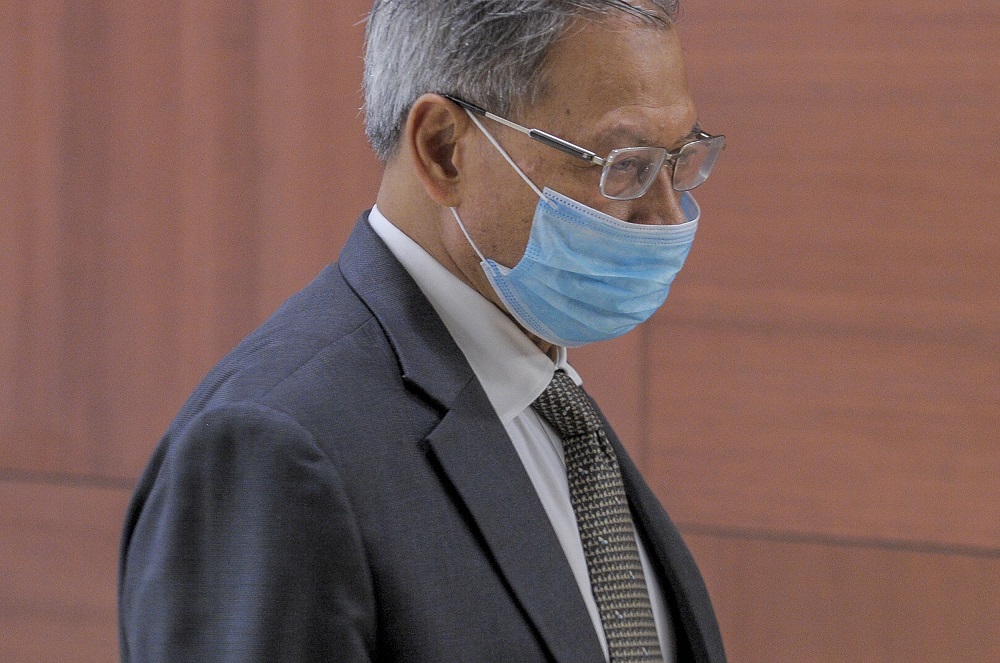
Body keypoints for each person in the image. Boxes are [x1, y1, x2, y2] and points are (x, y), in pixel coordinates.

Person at [118, 1, 728, 661]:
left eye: (681, 159)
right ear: (443, 149)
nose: (667, 216)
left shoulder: (549, 398)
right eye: (624, 165)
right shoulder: (273, 446)